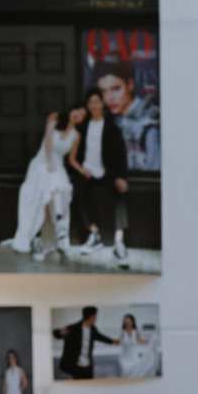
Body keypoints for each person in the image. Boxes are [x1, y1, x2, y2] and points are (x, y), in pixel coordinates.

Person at [2, 104, 86, 258]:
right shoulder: (53, 122)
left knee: (59, 189)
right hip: (41, 164)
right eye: (77, 111)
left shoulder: (76, 136)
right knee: (44, 191)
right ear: (71, 110)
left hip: (58, 168)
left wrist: (83, 171)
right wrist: (49, 162)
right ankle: (41, 236)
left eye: (82, 115)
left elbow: (72, 159)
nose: (77, 115)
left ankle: (53, 231)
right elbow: (47, 144)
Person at [70, 88, 131, 265]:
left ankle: (119, 241)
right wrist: (82, 169)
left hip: (107, 172)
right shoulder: (84, 126)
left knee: (119, 193)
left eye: (97, 102)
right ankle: (94, 234)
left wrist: (121, 176)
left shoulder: (111, 127)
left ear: (102, 104)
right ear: (88, 106)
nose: (94, 106)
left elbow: (121, 154)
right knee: (78, 190)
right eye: (91, 103)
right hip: (88, 171)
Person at [96, 57, 160, 173]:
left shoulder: (151, 120)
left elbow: (153, 171)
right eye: (103, 91)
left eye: (116, 89)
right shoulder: (109, 119)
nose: (109, 98)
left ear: (130, 84)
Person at [53, 307, 116, 380]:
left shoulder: (92, 329)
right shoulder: (74, 328)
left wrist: (113, 341)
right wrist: (59, 332)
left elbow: (100, 337)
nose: (96, 318)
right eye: (96, 316)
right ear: (91, 317)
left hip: (88, 365)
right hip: (76, 366)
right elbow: (56, 333)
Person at [117, 313, 159, 379]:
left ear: (132, 322)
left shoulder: (135, 331)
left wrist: (149, 341)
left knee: (136, 370)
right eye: (126, 321)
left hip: (133, 356)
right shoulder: (123, 332)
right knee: (126, 371)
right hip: (125, 356)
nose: (127, 323)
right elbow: (120, 342)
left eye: (129, 321)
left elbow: (140, 341)